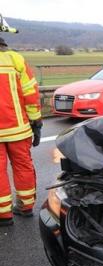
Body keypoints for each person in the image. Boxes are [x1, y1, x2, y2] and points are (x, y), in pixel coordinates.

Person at [0, 36, 42, 226]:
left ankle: (3, 215)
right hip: (18, 129)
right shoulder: (15, 59)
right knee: (23, 166)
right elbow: (30, 93)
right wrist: (36, 122)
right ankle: (26, 207)